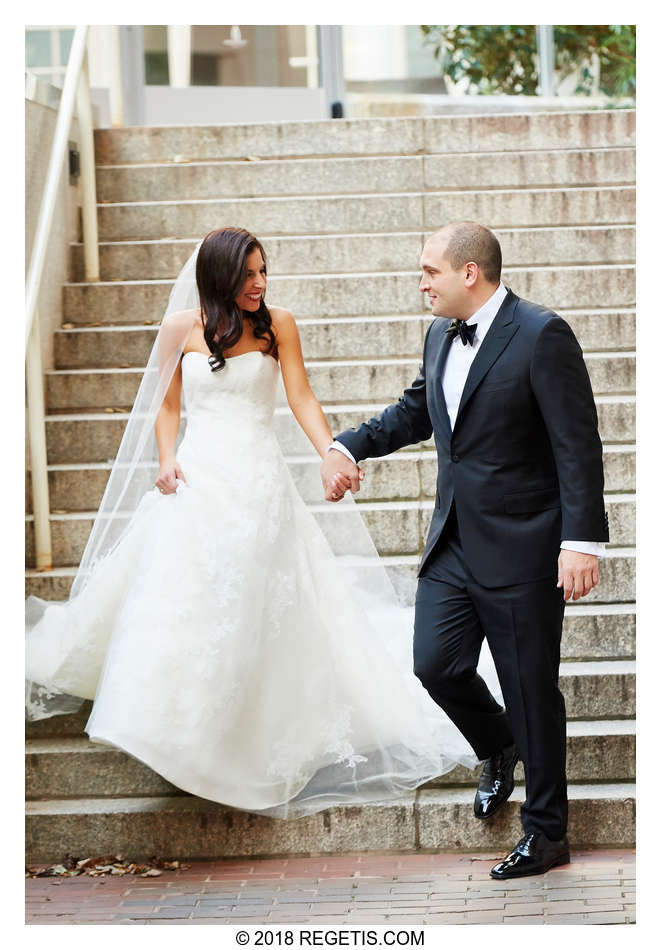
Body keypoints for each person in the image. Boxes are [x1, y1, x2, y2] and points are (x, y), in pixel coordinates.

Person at [25, 226, 501, 820]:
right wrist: (167, 459)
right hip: (200, 479)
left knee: (257, 600)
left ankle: (241, 728)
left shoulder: (279, 324)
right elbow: (166, 404)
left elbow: (299, 394)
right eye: (248, 274)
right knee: (187, 597)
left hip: (260, 484)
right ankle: (178, 722)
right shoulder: (181, 328)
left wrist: (334, 450)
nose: (259, 283)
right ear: (221, 277)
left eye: (263, 271)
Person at [322, 221, 609, 879]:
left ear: (468, 273)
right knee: (435, 664)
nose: (421, 281)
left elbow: (576, 444)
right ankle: (496, 742)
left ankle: (546, 834)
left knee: (529, 689)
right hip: (453, 541)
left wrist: (580, 541)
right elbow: (416, 412)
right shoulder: (438, 336)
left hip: (524, 548)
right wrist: (348, 445)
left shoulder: (541, 335)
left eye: (429, 270)